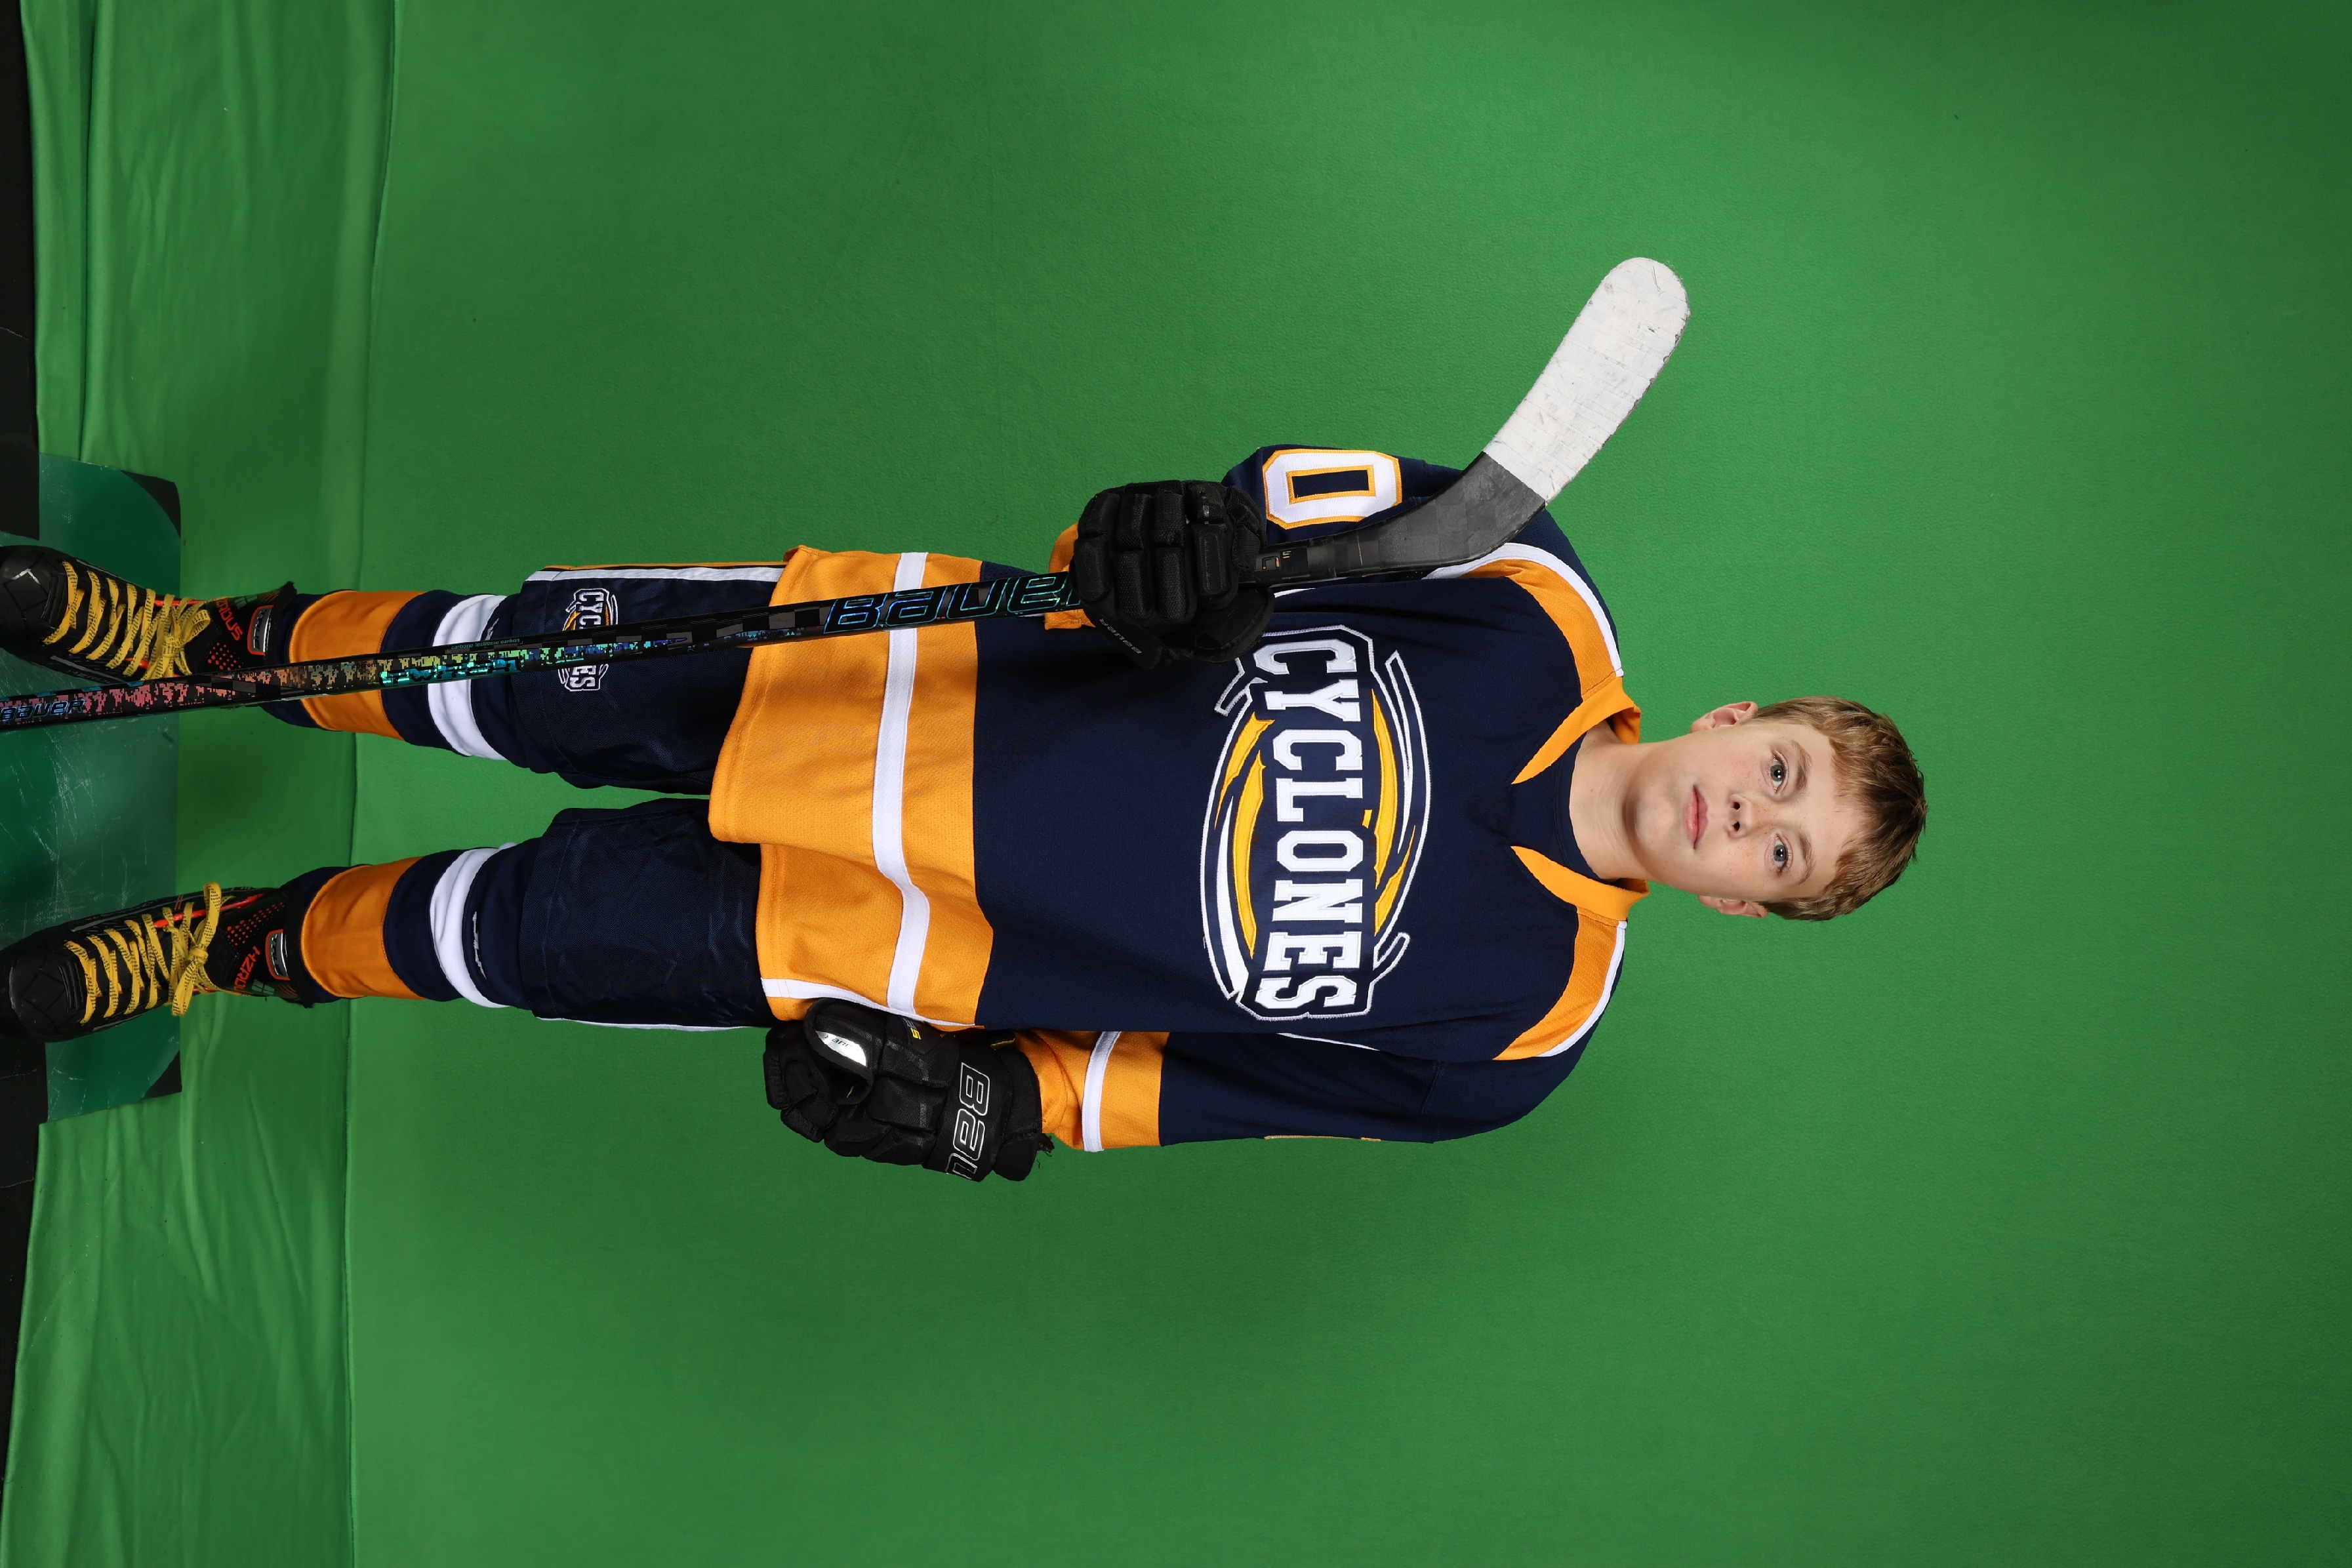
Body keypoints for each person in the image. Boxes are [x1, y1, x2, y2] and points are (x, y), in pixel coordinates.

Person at [0, 446, 1926, 1182]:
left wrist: (997, 1113)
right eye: (1781, 771)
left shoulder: (1512, 1041)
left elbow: (1180, 1086)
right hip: (891, 674)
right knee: (499, 669)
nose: (1746, 814)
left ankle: (227, 947)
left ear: (1743, 910)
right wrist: (1186, 539)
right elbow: (1247, 512)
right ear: (1740, 715)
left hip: (889, 942)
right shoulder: (1523, 583)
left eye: (1783, 854)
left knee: (505, 933)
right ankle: (203, 645)